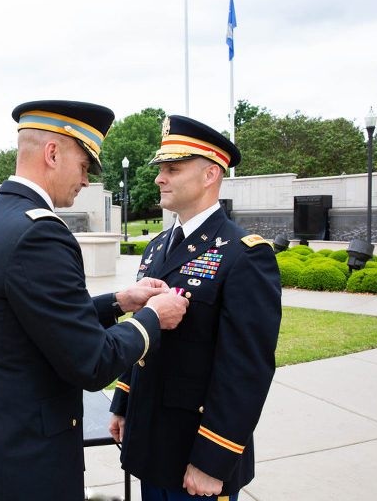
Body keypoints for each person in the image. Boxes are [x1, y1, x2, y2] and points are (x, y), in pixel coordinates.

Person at [0, 100, 189, 501]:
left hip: (1, 449)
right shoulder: (41, 235)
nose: (85, 181)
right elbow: (92, 362)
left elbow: (37, 317)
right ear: (52, 153)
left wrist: (120, 300)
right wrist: (153, 317)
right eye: (84, 166)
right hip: (34, 463)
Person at [108, 115, 281, 500]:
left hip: (196, 454)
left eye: (173, 168)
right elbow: (143, 335)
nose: (159, 178)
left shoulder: (244, 254)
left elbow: (246, 368)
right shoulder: (157, 247)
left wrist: (213, 459)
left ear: (210, 175)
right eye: (160, 169)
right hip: (150, 440)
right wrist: (123, 403)